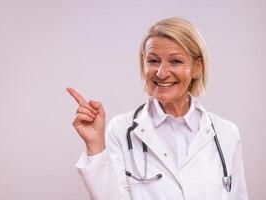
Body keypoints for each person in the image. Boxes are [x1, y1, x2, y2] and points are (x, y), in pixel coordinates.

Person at [66, 17, 248, 200]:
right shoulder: (121, 130)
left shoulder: (226, 134)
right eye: (153, 61)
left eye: (175, 61)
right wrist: (95, 145)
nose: (161, 72)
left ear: (197, 67)